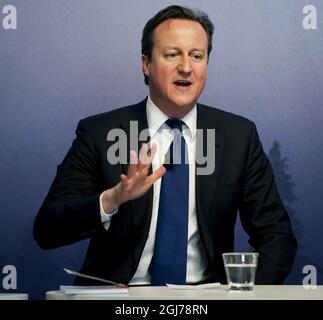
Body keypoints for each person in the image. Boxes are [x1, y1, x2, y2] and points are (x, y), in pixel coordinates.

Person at [33, 5, 297, 286]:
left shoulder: (239, 136)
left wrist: (244, 295)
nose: (186, 67)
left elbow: (276, 236)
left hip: (206, 299)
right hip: (121, 298)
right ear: (146, 64)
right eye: (172, 55)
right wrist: (112, 199)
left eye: (197, 56)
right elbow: (48, 229)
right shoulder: (100, 133)